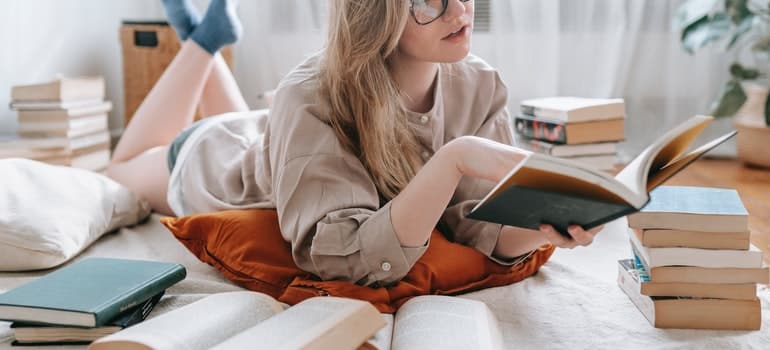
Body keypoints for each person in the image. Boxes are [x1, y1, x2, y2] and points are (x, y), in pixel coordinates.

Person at [108, 0, 604, 286]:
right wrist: (454, 159)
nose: (458, 10)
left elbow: (477, 224)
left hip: (275, 134)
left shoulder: (480, 84)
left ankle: (205, 36)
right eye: (427, 0)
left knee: (263, 123)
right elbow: (340, 254)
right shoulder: (312, 95)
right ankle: (201, 42)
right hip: (216, 161)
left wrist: (547, 228)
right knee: (119, 169)